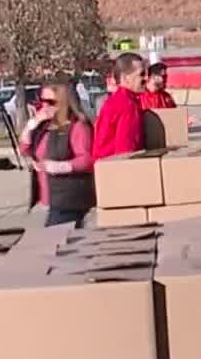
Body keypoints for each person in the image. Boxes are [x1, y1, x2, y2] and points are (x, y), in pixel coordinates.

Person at [19, 80, 96, 228]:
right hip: (50, 196)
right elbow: (24, 149)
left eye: (50, 102)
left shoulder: (78, 126)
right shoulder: (45, 125)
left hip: (69, 197)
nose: (45, 106)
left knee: (53, 238)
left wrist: (59, 166)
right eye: (42, 101)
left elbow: (87, 159)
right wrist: (31, 125)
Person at [92, 53, 146, 159]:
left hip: (104, 166)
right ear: (125, 78)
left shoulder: (114, 100)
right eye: (141, 74)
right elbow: (125, 150)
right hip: (116, 168)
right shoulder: (127, 105)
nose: (146, 78)